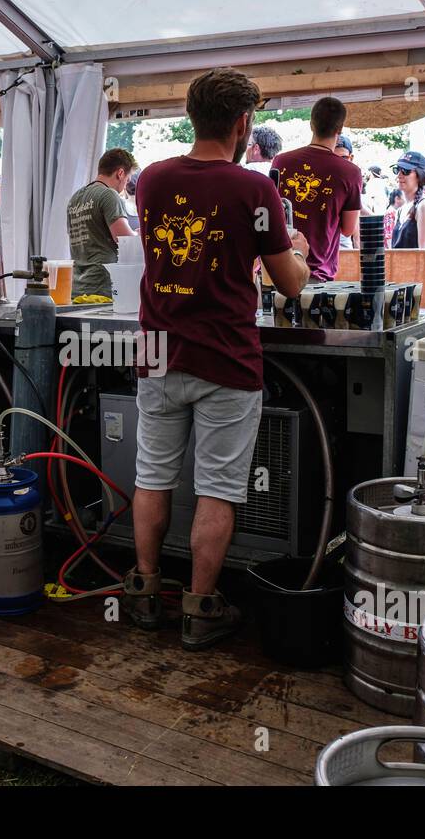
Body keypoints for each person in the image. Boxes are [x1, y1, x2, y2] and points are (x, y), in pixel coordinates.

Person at [124, 67, 309, 651]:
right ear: (243, 123)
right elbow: (291, 284)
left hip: (157, 350)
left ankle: (143, 591)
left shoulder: (150, 180)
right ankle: (201, 609)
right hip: (225, 356)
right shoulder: (255, 190)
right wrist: (296, 251)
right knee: (218, 488)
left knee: (151, 476)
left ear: (191, 115)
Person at [270, 96, 361, 279]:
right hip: (315, 274)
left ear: (311, 124)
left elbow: (268, 212)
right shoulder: (350, 172)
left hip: (275, 269)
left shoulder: (281, 161)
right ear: (340, 129)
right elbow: (348, 229)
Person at [66, 148, 137, 298]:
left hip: (77, 286)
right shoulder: (108, 194)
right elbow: (125, 240)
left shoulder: (75, 198)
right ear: (120, 173)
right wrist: (139, 233)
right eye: (128, 179)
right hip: (101, 285)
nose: (125, 184)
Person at [390, 151, 425, 248]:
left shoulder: (424, 206)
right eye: (397, 169)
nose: (399, 175)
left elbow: (424, 254)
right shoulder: (400, 210)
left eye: (405, 171)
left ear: (419, 176)